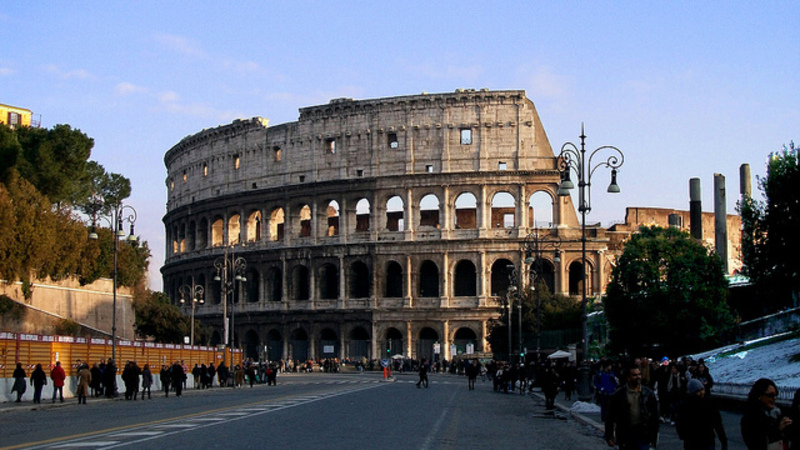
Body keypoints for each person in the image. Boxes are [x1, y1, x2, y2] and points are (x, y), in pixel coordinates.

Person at [605, 364, 660, 450]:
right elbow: (610, 417)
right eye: (634, 375)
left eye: (639, 374)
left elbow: (654, 416)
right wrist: (609, 436)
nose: (638, 377)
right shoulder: (618, 395)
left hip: (643, 433)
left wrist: (654, 436)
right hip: (626, 433)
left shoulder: (648, 394)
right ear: (628, 378)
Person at [676, 378, 728, 450]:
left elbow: (717, 422)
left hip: (707, 438)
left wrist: (723, 440)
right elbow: (680, 422)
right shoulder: (686, 405)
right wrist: (684, 435)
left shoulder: (709, 403)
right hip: (693, 440)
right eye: (698, 391)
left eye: (702, 390)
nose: (701, 393)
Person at [741, 378, 792, 450]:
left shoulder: (777, 414)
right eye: (770, 395)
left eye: (776, 394)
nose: (774, 398)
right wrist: (777, 430)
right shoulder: (750, 418)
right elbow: (756, 444)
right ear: (759, 396)